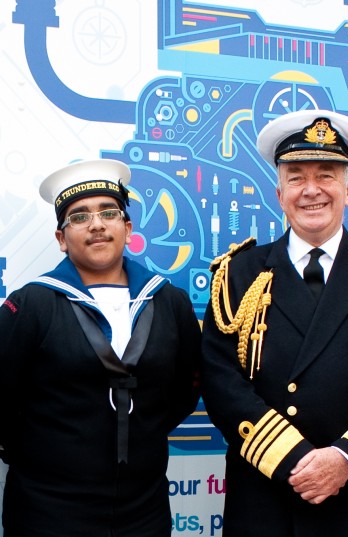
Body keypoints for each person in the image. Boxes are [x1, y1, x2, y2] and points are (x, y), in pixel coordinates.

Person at [200, 109, 348, 536]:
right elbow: (220, 381)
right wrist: (296, 461)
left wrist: (344, 460)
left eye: (326, 175)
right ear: (279, 192)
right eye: (296, 177)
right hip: (268, 496)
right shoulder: (238, 275)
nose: (312, 191)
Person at [0, 159, 202, 537]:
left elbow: (183, 391)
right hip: (48, 510)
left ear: (126, 228)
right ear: (61, 238)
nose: (96, 224)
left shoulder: (169, 301)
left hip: (144, 509)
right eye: (79, 217)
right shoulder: (31, 305)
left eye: (108, 212)